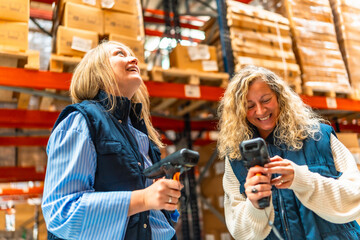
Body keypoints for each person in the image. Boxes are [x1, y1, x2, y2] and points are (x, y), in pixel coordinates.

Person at [41, 41, 182, 240]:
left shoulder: (141, 133)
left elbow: (152, 216)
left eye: (132, 54)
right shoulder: (80, 121)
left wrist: (165, 200)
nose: (134, 59)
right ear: (97, 71)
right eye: (120, 54)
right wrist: (143, 198)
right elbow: (61, 214)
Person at [217, 65, 360, 240]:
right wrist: (255, 206)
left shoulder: (320, 137)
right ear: (239, 111)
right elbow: (240, 231)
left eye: (266, 100)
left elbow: (355, 196)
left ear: (279, 97)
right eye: (249, 106)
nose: (260, 111)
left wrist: (302, 180)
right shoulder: (236, 158)